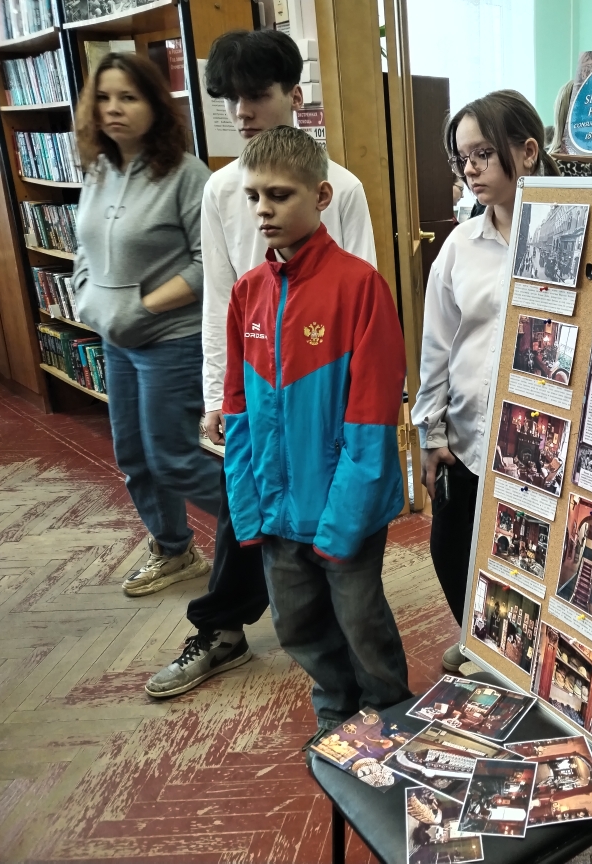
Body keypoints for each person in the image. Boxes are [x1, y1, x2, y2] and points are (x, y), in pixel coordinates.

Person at [145, 28, 377, 699]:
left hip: (318, 386)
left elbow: (363, 291)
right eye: (230, 100)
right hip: (254, 384)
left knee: (327, 521)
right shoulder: (223, 190)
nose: (241, 112)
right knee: (247, 510)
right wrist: (219, 395)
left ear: (294, 96)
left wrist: (351, 403)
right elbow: (220, 296)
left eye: (256, 96)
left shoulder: (341, 187)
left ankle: (356, 661)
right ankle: (224, 628)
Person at [223, 125, 410, 737]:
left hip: (344, 508)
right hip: (278, 509)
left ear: (322, 196)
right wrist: (248, 504)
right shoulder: (247, 294)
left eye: (279, 195)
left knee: (361, 623)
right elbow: (237, 411)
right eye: (254, 196)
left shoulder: (360, 287)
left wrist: (342, 520)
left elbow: (372, 418)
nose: (263, 210)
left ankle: (390, 718)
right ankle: (336, 714)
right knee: (296, 625)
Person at [412, 90, 559, 674]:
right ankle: (484, 641)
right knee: (451, 549)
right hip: (470, 437)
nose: (469, 168)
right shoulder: (460, 245)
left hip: (545, 442)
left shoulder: (571, 233)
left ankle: (521, 661)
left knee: (532, 555)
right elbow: (437, 345)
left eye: (482, 153)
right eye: (461, 157)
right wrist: (431, 431)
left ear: (527, 151)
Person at [72, 53, 218, 597]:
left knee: (175, 460)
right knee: (134, 456)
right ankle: (175, 550)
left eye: (128, 97)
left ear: (155, 106)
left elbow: (209, 264)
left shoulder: (187, 174)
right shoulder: (99, 170)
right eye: (104, 98)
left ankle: (266, 531)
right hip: (116, 341)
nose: (113, 108)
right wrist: (85, 295)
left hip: (171, 341)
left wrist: (144, 306)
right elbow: (84, 246)